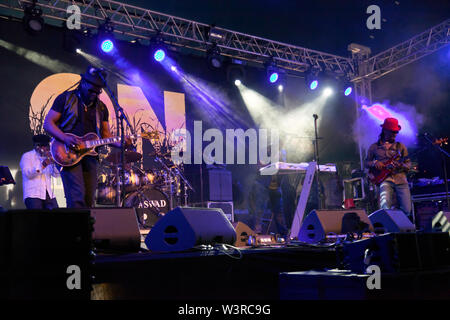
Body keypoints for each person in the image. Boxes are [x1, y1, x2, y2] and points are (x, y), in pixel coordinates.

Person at [44, 66, 130, 208]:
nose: (94, 94)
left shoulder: (101, 107)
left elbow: (105, 135)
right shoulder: (65, 98)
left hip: (90, 156)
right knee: (76, 197)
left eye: (97, 92)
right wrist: (65, 138)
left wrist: (121, 143)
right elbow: (48, 124)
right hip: (68, 153)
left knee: (89, 200)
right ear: (83, 83)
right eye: (91, 90)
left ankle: (86, 228)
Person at [365, 117, 412, 220]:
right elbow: (366, 163)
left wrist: (401, 166)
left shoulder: (400, 147)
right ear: (385, 131)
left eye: (396, 132)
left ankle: (401, 229)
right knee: (385, 207)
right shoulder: (374, 147)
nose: (394, 134)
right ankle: (389, 229)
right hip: (384, 180)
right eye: (392, 132)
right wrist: (374, 162)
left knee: (407, 210)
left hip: (401, 179)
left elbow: (408, 164)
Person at [19, 134, 59, 209]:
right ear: (37, 146)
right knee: (37, 218)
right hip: (33, 195)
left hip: (49, 194)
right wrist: (43, 164)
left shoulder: (48, 156)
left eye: (46, 146)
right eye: (43, 146)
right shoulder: (27, 156)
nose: (45, 148)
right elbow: (28, 174)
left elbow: (56, 175)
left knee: (56, 217)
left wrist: (55, 162)